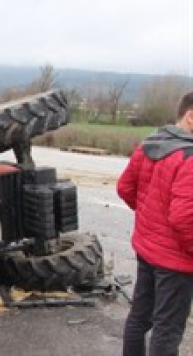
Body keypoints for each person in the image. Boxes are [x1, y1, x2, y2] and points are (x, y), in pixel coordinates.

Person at [118, 91, 193, 356]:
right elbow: (185, 218)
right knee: (167, 329)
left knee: (140, 318)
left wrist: (152, 220)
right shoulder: (189, 156)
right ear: (191, 116)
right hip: (176, 261)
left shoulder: (150, 143)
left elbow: (125, 187)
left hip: (148, 249)